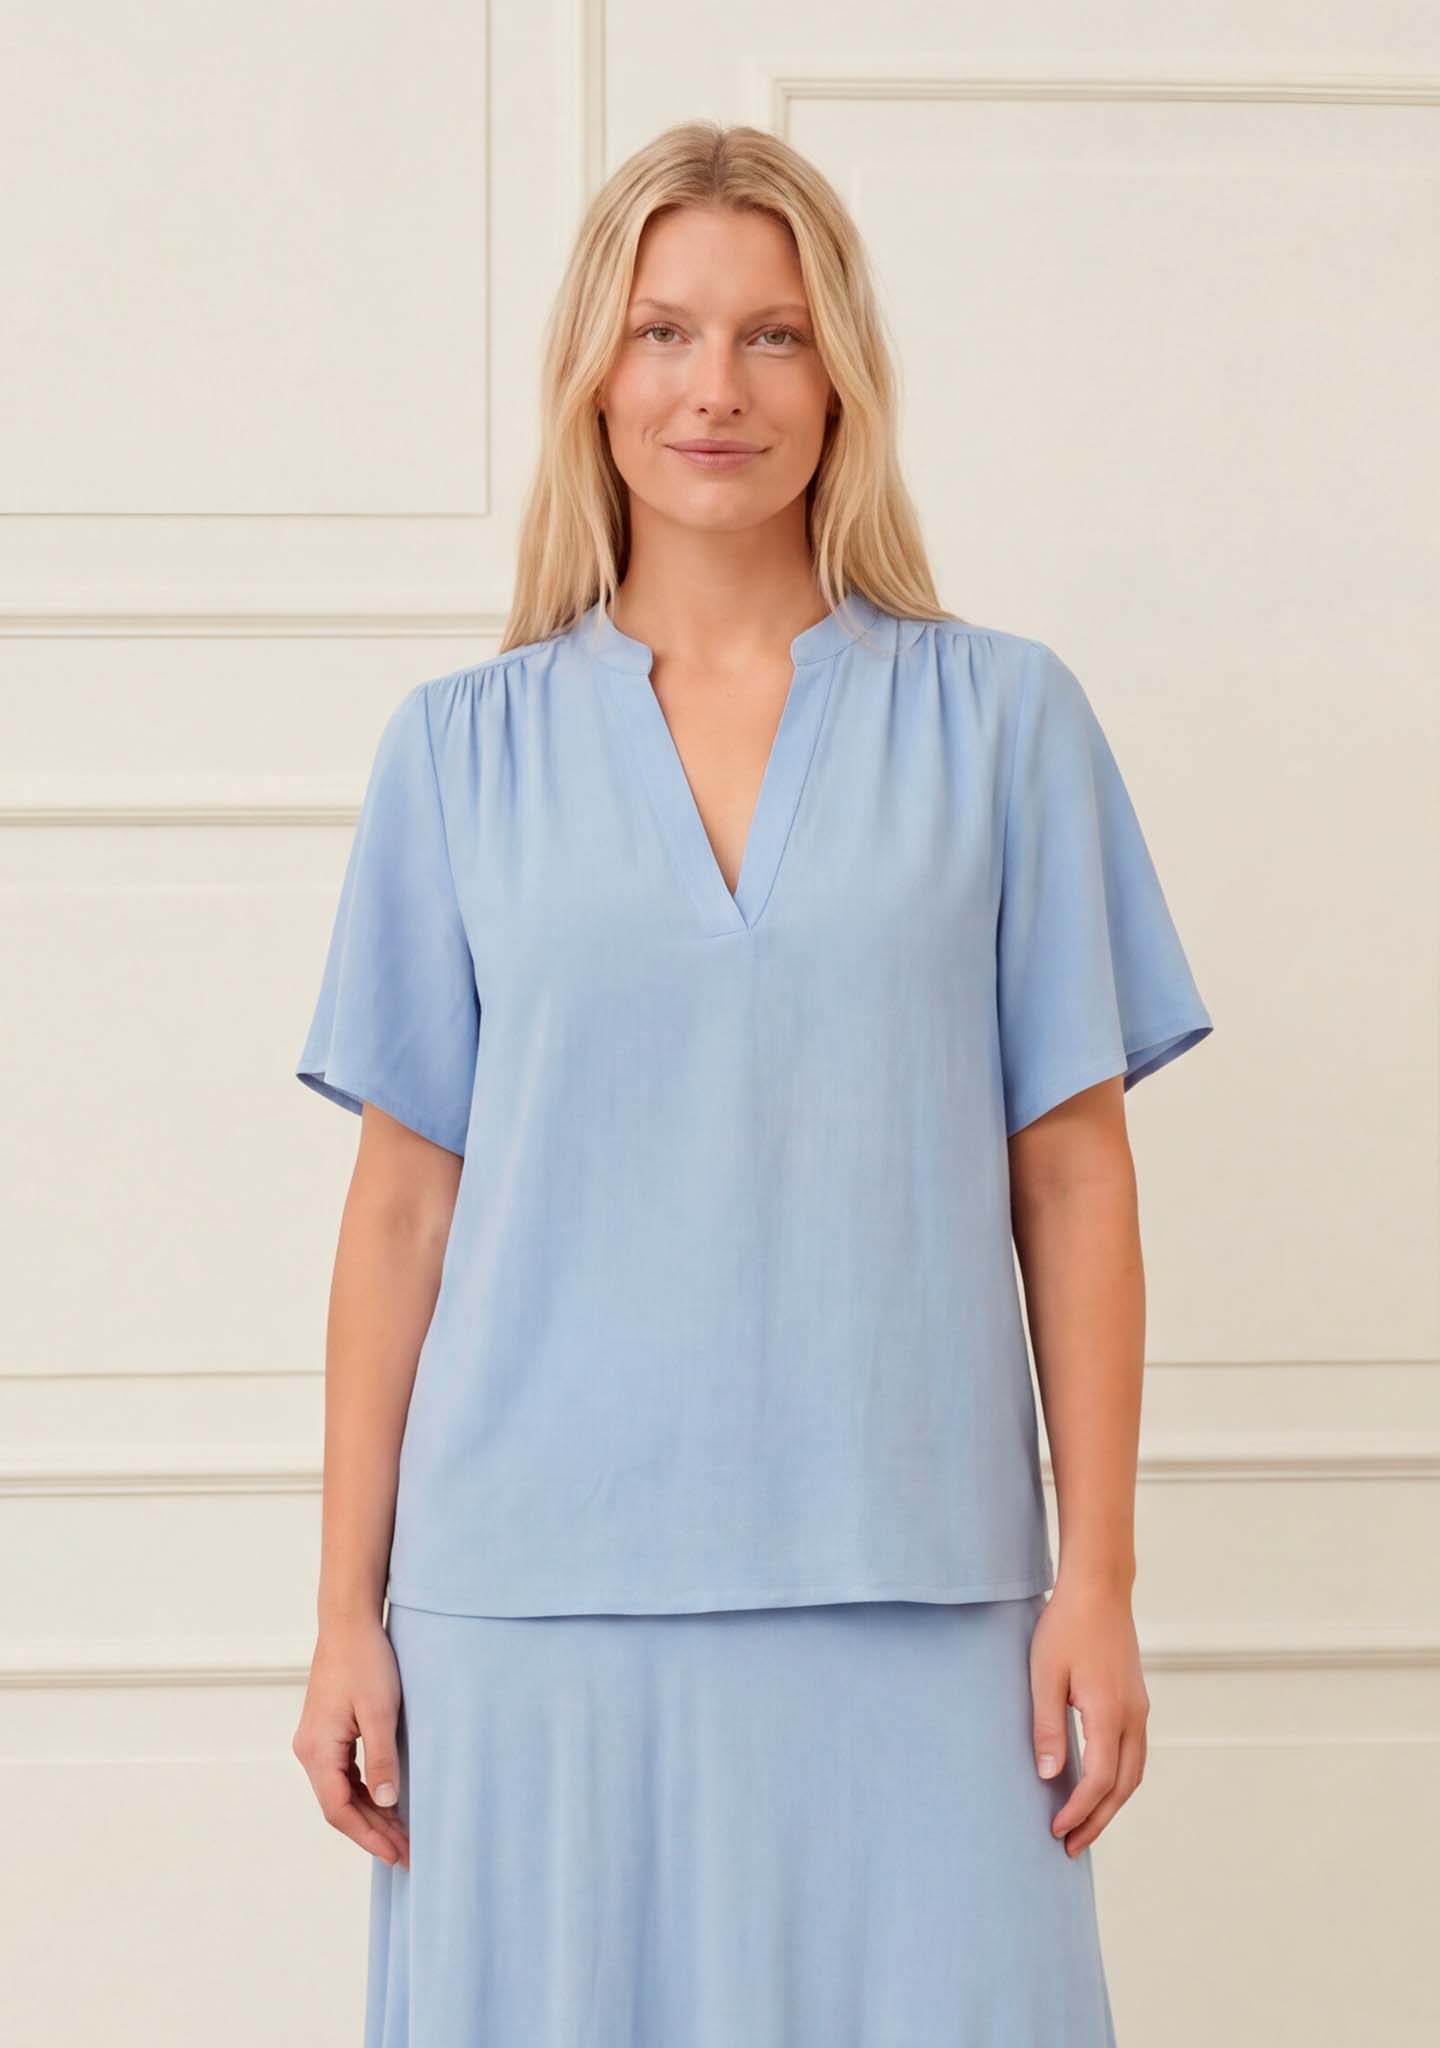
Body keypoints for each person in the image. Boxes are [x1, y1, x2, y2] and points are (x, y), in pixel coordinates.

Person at [290, 119, 1213, 2046]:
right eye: (666, 332)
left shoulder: (1002, 722)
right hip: (530, 1610)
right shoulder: (459, 754)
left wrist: (1102, 1581)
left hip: (925, 1593)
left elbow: (1074, 1177)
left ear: (842, 375)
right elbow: (401, 1214)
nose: (716, 387)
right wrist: (342, 1615)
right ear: (594, 375)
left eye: (773, 335)